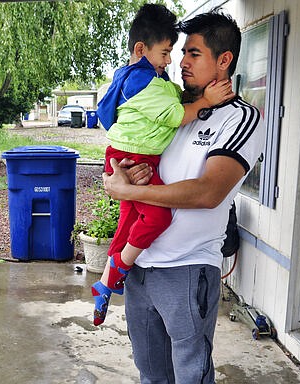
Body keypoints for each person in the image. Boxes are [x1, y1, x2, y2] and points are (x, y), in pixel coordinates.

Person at [102, 10, 265, 383]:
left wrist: (131, 189)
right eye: (180, 52)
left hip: (186, 270)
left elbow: (209, 192)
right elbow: (130, 146)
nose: (181, 62)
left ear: (224, 60)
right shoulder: (173, 106)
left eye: (193, 53)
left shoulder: (240, 118)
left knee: (190, 375)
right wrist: (120, 178)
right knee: (151, 374)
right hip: (140, 266)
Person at [91, 3, 234, 326]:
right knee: (157, 217)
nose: (171, 61)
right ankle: (118, 273)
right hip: (136, 159)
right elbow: (175, 114)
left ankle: (104, 283)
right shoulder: (145, 83)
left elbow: (170, 94)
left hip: (125, 156)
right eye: (166, 53)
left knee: (128, 221)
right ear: (141, 49)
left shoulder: (131, 77)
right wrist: (206, 102)